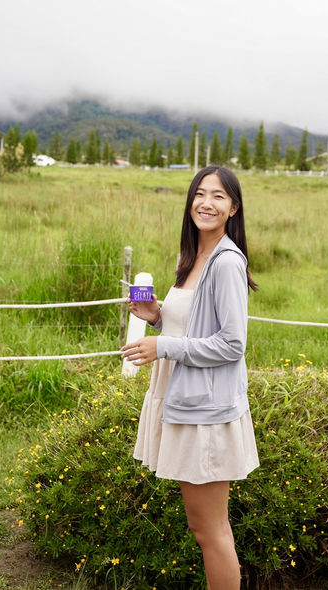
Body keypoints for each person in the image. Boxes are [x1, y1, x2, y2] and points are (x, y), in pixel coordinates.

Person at [121, 165, 259, 590]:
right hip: (186, 402)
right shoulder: (193, 257)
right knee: (206, 529)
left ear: (233, 207)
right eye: (200, 193)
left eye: (219, 196)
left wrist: (162, 347)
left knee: (210, 531)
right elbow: (192, 330)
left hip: (206, 412)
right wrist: (159, 319)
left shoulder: (226, 262)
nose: (207, 203)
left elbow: (233, 344)